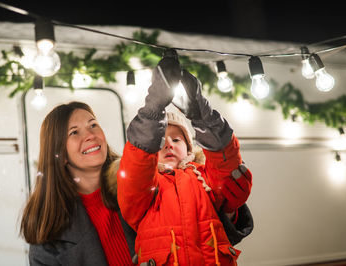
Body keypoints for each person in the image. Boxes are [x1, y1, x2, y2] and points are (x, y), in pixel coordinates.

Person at [117, 49, 253, 265]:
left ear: (190, 150)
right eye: (161, 140)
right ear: (153, 150)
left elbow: (226, 165)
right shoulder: (146, 188)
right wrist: (153, 110)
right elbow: (136, 169)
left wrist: (204, 117)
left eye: (177, 139)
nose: (169, 143)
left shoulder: (205, 180)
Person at [19, 101, 137, 265]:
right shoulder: (49, 231)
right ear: (60, 154)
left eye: (93, 125)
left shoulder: (138, 185)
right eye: (74, 132)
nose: (90, 135)